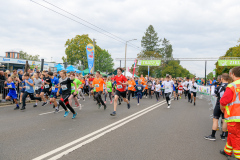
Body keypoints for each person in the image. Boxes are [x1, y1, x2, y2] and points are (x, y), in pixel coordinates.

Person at [219, 67, 240, 159]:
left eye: (230, 73)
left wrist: (222, 109)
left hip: (234, 116)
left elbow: (223, 101)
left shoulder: (232, 86)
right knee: (232, 134)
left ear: (233, 74)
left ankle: (238, 156)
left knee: (235, 136)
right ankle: (227, 151)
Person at [204, 73, 229, 141]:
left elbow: (213, 93)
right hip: (227, 106)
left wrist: (212, 86)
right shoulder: (230, 86)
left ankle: (213, 135)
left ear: (222, 79)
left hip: (219, 104)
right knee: (224, 120)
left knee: (215, 119)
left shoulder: (219, 87)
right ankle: (223, 136)